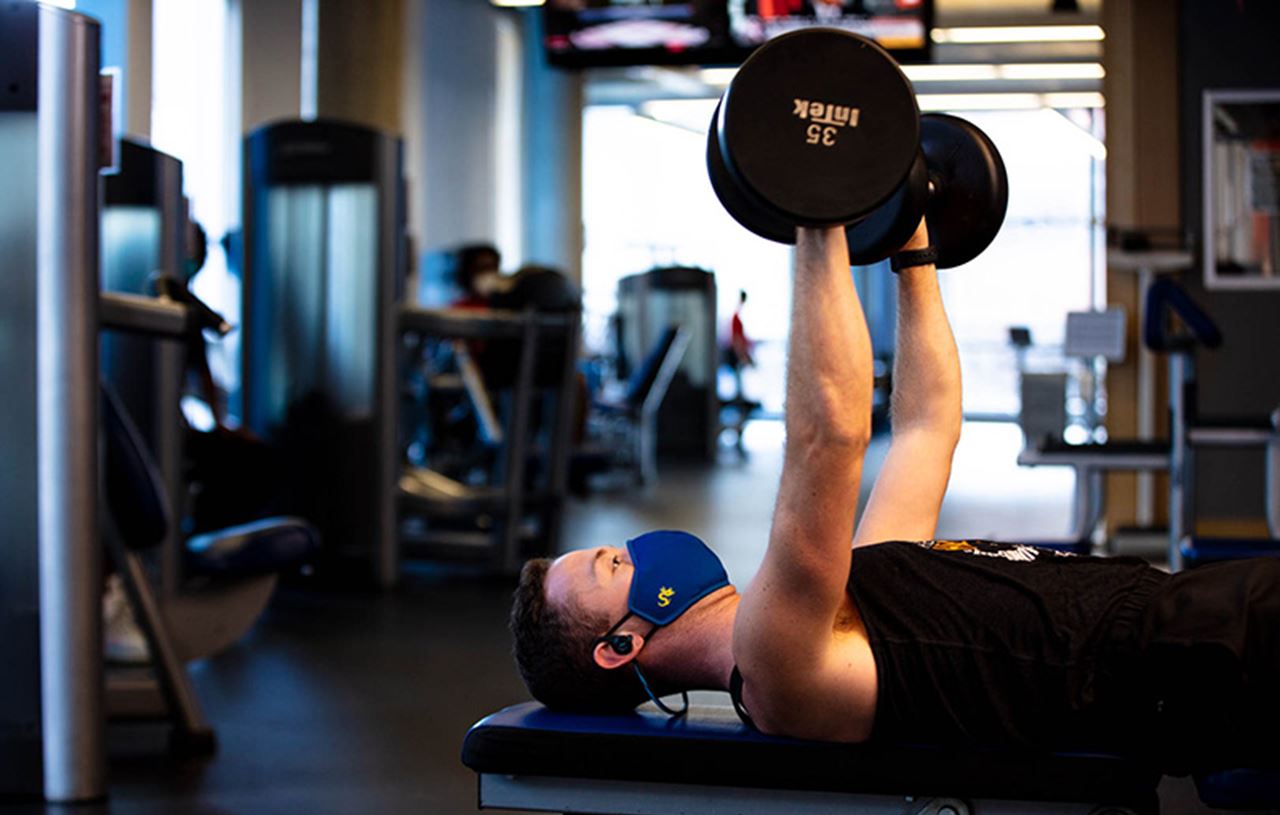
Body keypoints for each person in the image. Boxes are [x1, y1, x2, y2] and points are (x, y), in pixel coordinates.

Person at [510, 219, 1280, 775]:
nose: (634, 548)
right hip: (1193, 659)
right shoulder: (774, 663)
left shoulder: (841, 593)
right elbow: (831, 435)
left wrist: (913, 247)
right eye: (613, 564)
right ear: (622, 647)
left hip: (1196, 621)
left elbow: (924, 428)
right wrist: (816, 213)